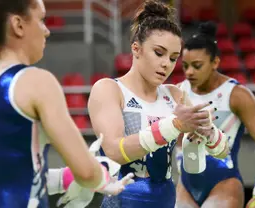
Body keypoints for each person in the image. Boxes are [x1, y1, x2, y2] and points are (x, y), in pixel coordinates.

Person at [0, 0, 133, 207]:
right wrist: (102, 177)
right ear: (18, 25)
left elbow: (11, 178)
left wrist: (67, 178)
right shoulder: (37, 82)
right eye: (41, 20)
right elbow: (87, 172)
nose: (46, 31)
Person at [88, 1, 229, 207]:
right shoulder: (109, 89)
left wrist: (209, 134)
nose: (166, 64)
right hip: (122, 200)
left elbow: (222, 151)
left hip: (165, 200)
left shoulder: (175, 95)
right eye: (159, 53)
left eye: (173, 58)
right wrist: (174, 126)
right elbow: (114, 151)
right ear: (136, 49)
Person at [175, 22, 255, 208]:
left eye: (197, 66)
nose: (189, 72)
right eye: (185, 66)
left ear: (215, 62)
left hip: (223, 183)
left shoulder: (237, 95)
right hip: (185, 185)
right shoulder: (178, 92)